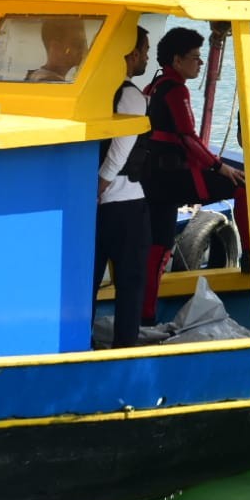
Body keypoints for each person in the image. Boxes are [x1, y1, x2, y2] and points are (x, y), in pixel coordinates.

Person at [138, 26, 247, 321]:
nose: (200, 63)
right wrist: (219, 167)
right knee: (242, 188)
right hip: (173, 178)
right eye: (195, 57)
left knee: (158, 246)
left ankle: (146, 313)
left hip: (154, 178)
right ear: (176, 60)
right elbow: (188, 137)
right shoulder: (176, 90)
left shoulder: (154, 86)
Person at [94, 26, 152, 348]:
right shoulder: (130, 95)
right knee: (130, 286)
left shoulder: (98, 90)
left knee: (87, 281)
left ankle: (78, 344)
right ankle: (125, 349)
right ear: (130, 54)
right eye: (144, 50)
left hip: (96, 205)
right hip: (125, 203)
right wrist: (99, 187)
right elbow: (120, 151)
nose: (146, 57)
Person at [24, 17, 87, 82]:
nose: (82, 49)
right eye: (77, 44)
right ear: (56, 48)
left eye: (84, 44)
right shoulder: (52, 84)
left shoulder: (35, 78)